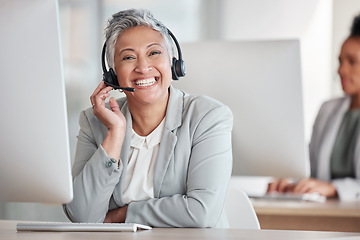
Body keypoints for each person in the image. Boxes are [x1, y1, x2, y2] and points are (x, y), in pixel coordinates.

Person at [63, 9, 233, 227]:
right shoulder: (94, 121)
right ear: (113, 75)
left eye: (153, 53)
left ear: (174, 64)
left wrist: (121, 215)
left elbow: (201, 213)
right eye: (128, 57)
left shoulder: (208, 117)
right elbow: (81, 215)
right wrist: (114, 135)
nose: (143, 67)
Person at [267, 14, 360, 201]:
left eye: (352, 61)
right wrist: (291, 182)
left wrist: (335, 188)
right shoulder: (328, 110)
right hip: (324, 212)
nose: (341, 70)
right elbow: (312, 171)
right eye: (340, 61)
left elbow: (328, 185)